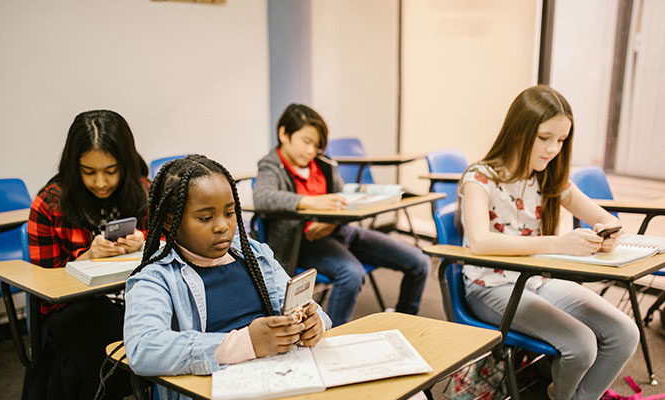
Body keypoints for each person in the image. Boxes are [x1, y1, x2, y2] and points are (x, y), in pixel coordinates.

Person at [458, 85, 639, 400]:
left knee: (625, 333)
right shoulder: (480, 177)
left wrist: (608, 233)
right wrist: (559, 243)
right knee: (581, 346)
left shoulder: (549, 178)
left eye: (561, 140)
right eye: (545, 138)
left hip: (535, 281)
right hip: (489, 286)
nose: (553, 148)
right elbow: (480, 242)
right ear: (518, 132)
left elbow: (605, 218)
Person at [123, 155, 331, 400]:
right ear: (170, 221)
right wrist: (246, 343)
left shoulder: (255, 255)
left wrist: (314, 323)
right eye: (205, 218)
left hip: (279, 377)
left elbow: (314, 312)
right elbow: (143, 349)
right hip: (212, 388)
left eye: (230, 213)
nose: (222, 226)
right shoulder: (155, 278)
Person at [253, 104, 430, 326]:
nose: (311, 151)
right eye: (306, 141)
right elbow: (263, 197)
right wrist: (309, 201)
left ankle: (405, 320)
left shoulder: (323, 165)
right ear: (284, 134)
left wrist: (332, 222)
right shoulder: (271, 166)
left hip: (340, 231)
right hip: (304, 242)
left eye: (317, 145)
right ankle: (332, 333)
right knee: (351, 274)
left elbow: (343, 199)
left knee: (419, 262)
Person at [28, 110, 149, 399]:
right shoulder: (49, 204)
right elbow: (43, 288)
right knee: (101, 331)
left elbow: (175, 249)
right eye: (88, 172)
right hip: (78, 308)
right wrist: (85, 259)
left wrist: (145, 242)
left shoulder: (144, 191)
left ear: (126, 163)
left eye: (111, 171)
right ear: (73, 166)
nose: (101, 182)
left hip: (138, 295)